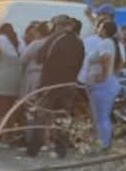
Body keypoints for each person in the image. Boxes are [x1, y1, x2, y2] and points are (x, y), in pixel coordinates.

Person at [28, 14, 84, 158]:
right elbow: (80, 64)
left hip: (49, 85)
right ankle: (61, 150)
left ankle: (34, 149)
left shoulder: (53, 39)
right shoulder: (79, 42)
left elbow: (39, 58)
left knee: (40, 116)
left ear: (58, 26)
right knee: (62, 118)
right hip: (68, 86)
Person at [86, 19, 121, 152]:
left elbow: (105, 58)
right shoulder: (111, 43)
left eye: (100, 27)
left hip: (103, 85)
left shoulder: (106, 42)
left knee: (101, 116)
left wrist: (103, 76)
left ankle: (103, 145)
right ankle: (104, 142)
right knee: (102, 116)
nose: (97, 29)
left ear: (105, 30)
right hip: (107, 83)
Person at [19, 21, 50, 100]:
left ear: (39, 32)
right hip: (46, 76)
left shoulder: (37, 43)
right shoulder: (52, 42)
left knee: (29, 99)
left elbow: (22, 59)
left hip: (34, 75)